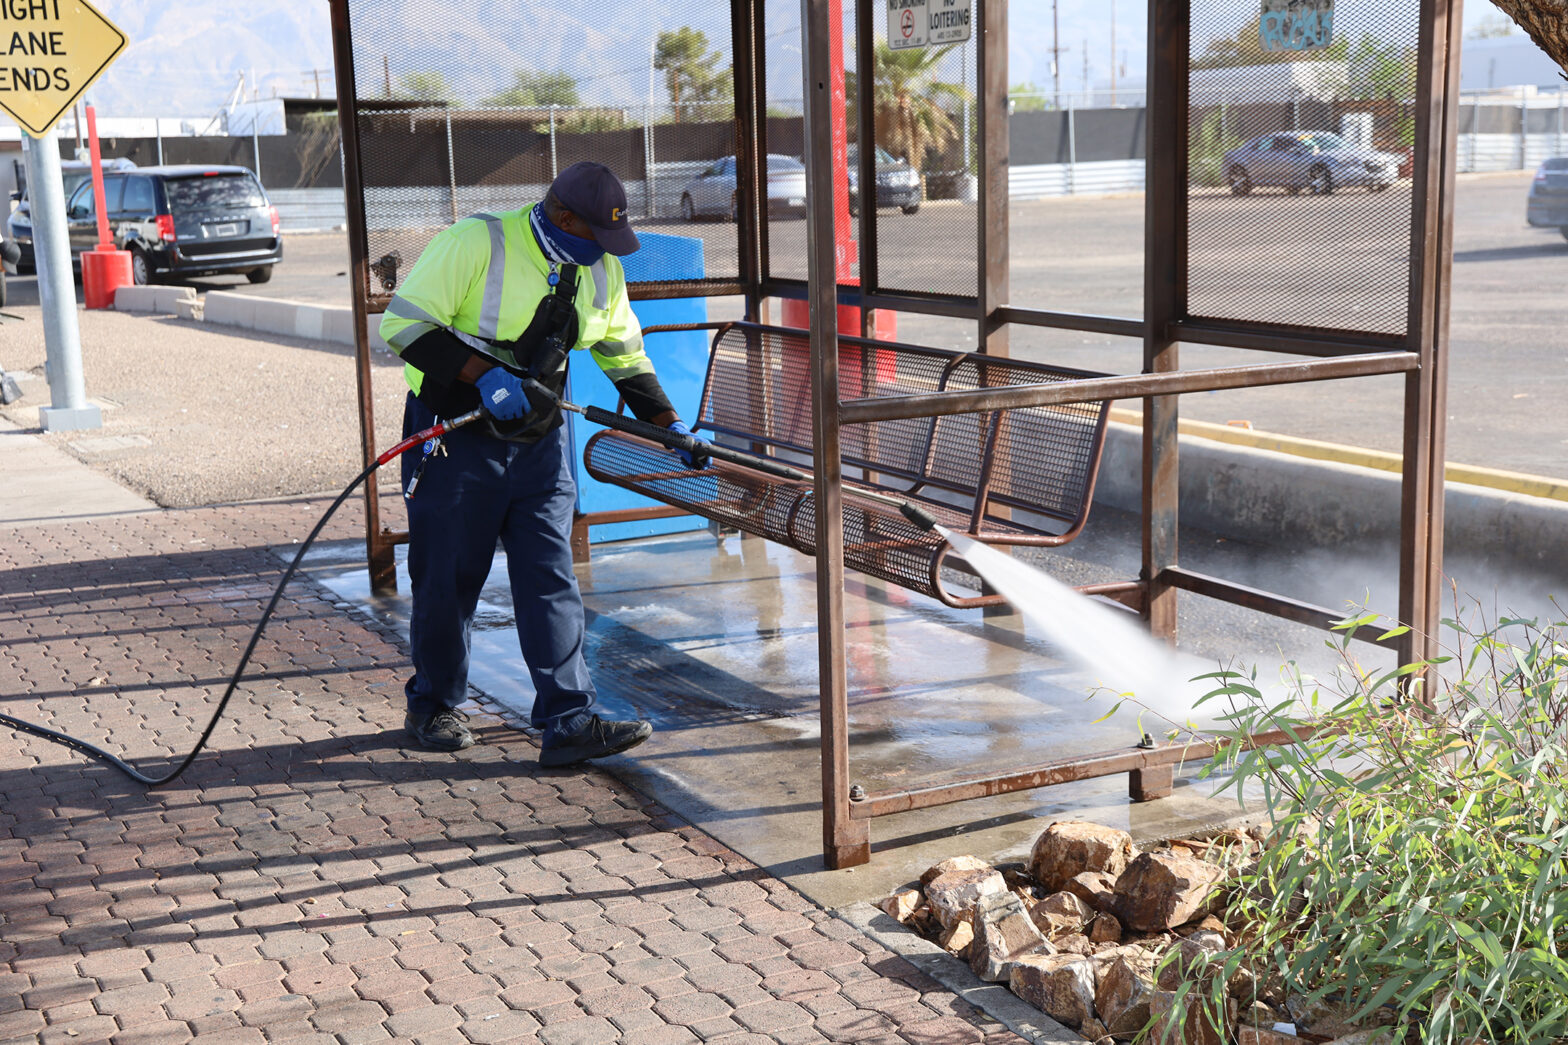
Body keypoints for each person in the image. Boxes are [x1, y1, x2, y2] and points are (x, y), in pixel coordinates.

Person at [379, 161, 706, 765]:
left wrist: (670, 427)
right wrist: (484, 376)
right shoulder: (477, 243)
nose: (601, 255)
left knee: (549, 576)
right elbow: (403, 324)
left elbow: (622, 351)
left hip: (538, 442)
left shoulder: (600, 269)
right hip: (456, 437)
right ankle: (434, 705)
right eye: (592, 238)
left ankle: (567, 718)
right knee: (449, 577)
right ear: (560, 215)